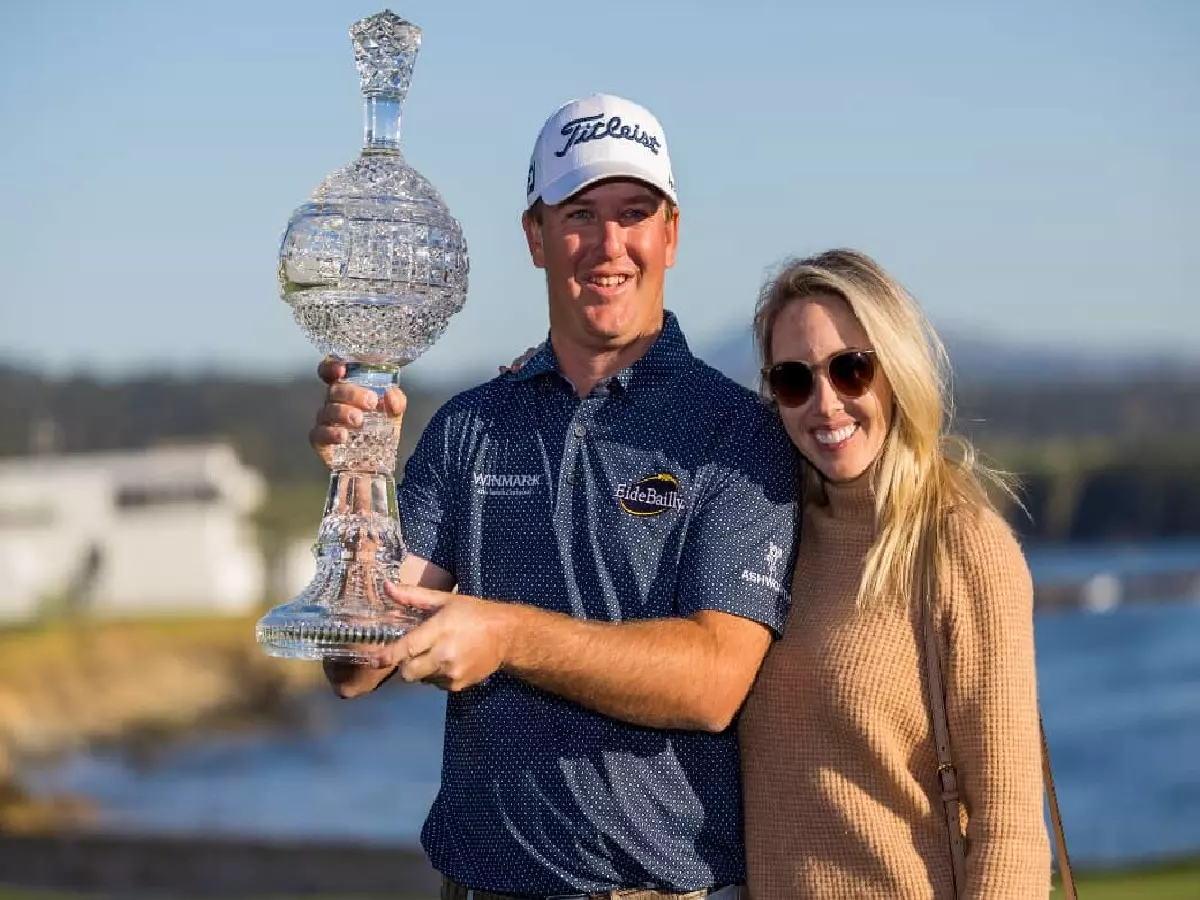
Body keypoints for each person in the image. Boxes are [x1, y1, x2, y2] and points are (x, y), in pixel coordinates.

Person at [310, 93, 799, 900]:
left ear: (670, 234)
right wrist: (359, 471)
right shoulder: (471, 425)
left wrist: (506, 635)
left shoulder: (737, 434)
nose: (609, 245)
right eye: (579, 214)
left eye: (634, 213)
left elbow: (714, 682)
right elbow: (355, 664)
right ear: (536, 237)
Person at [738, 248, 1051, 898]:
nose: (826, 404)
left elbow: (1011, 829)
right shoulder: (769, 532)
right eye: (795, 380)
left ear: (896, 371)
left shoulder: (960, 545)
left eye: (851, 370)